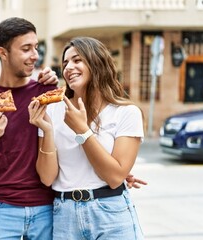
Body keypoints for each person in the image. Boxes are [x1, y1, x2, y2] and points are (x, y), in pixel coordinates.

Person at [29, 36, 144, 239]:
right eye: (65, 63)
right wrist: (46, 130)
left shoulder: (126, 112)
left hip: (111, 213)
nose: (69, 67)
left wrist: (82, 131)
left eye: (77, 60)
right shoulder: (53, 109)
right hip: (65, 215)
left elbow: (115, 177)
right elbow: (47, 177)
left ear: (96, 62)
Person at [0, 17, 59, 239]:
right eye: (26, 49)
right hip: (1, 209)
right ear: (3, 53)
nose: (35, 55)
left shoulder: (46, 92)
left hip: (46, 207)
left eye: (36, 47)